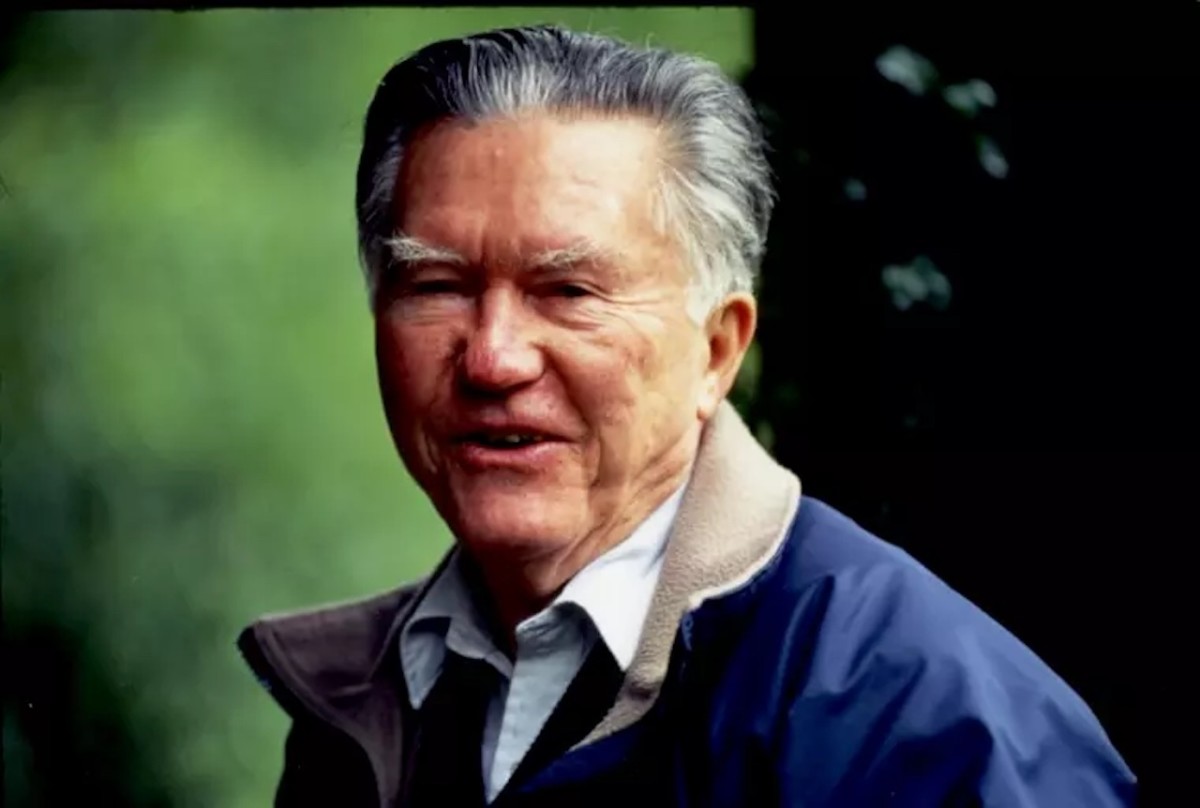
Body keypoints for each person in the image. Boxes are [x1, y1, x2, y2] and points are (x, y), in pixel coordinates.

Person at [238, 24, 1136, 807]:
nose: (493, 358)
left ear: (717, 349)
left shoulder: (930, 721)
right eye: (437, 285)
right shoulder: (357, 711)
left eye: (569, 291)